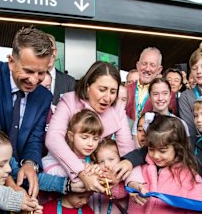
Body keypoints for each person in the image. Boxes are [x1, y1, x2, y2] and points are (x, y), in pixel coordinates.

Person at [0, 27, 53, 198]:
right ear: (11, 61)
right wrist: (10, 182)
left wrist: (30, 164)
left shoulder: (44, 96)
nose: (34, 80)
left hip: (17, 179)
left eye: (41, 73)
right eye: (28, 71)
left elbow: (35, 138)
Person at [45, 61, 143, 194]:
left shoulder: (117, 108)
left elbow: (127, 148)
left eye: (113, 92)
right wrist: (81, 171)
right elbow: (53, 138)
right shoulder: (69, 100)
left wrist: (134, 182)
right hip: (65, 169)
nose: (108, 98)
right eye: (102, 90)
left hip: (96, 177)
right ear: (87, 86)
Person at [43, 109, 102, 176]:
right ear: (71, 136)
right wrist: (78, 172)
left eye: (95, 139)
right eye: (84, 138)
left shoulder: (91, 158)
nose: (91, 144)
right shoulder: (60, 150)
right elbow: (45, 167)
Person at [125, 47, 176, 123]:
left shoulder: (168, 94)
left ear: (159, 70)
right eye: (144, 64)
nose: (147, 69)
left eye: (152, 65)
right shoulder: (126, 90)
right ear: (138, 66)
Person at [46, 33, 76, 106]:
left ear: (55, 52)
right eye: (46, 50)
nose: (50, 54)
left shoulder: (69, 82)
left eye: (52, 50)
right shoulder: (33, 79)